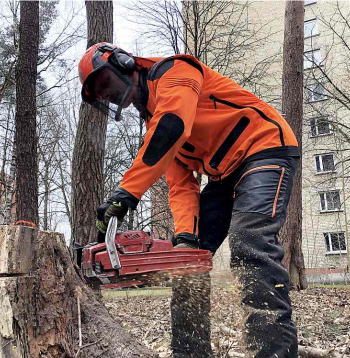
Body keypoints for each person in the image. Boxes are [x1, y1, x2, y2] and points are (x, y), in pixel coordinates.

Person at [78, 42, 299, 358]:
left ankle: (274, 351)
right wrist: (185, 239)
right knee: (184, 260)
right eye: (99, 94)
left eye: (104, 84)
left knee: (251, 240)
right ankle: (189, 352)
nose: (106, 94)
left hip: (265, 147)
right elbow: (181, 186)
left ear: (124, 63)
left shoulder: (175, 72)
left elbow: (173, 125)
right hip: (224, 174)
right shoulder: (154, 126)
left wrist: (126, 193)